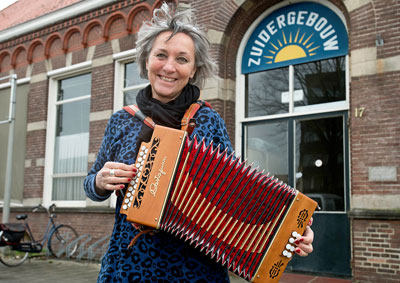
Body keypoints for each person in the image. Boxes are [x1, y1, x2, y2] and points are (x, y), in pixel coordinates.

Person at [84, 3, 314, 282]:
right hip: (130, 266)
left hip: (196, 271)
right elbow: (92, 187)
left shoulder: (208, 120)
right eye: (160, 55)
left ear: (194, 69)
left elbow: (237, 191)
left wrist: (290, 228)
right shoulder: (122, 120)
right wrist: (100, 181)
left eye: (182, 59)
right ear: (146, 61)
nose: (169, 67)